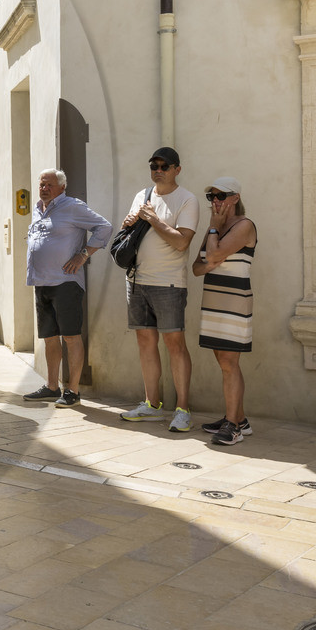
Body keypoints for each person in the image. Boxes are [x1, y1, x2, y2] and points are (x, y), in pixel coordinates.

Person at [118, 147, 202, 432]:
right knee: (145, 343)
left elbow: (181, 242)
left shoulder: (187, 199)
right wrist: (128, 223)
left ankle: (183, 409)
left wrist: (153, 219)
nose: (158, 170)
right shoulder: (142, 196)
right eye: (154, 165)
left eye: (164, 166)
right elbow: (130, 232)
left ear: (177, 169)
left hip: (169, 283)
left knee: (175, 345)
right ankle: (152, 404)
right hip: (137, 280)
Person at [24, 169, 111, 408]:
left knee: (71, 337)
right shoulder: (38, 208)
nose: (44, 188)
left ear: (62, 187)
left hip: (65, 283)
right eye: (42, 184)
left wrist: (83, 255)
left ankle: (73, 390)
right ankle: (52, 387)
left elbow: (104, 227)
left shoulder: (73, 206)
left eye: (49, 185)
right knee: (50, 338)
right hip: (41, 283)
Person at [192, 178, 257, 446]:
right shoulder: (214, 228)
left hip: (234, 301)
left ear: (235, 197)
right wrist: (212, 256)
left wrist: (214, 237)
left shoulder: (244, 225)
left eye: (221, 195)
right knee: (223, 361)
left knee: (230, 363)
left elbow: (214, 255)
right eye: (211, 197)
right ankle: (238, 418)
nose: (216, 201)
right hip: (214, 298)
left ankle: (233, 427)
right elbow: (197, 267)